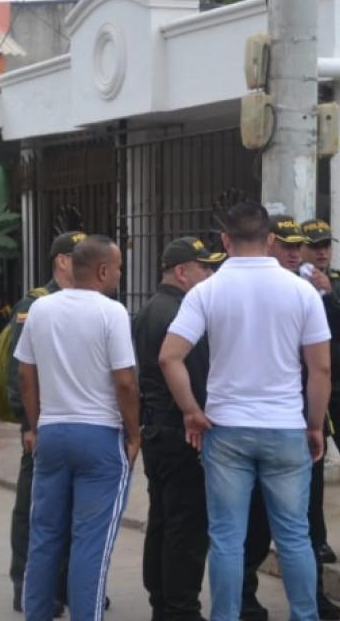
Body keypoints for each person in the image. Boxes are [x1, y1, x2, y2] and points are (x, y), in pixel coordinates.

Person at [160, 200, 331, 621]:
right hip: (286, 426)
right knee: (294, 536)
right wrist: (314, 426)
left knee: (226, 539)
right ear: (271, 239)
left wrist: (190, 411)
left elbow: (169, 357)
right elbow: (321, 367)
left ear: (225, 240)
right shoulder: (302, 291)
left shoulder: (207, 290)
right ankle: (305, 616)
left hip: (227, 428)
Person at [13, 235, 138, 621]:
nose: (119, 274)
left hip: (52, 433)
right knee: (90, 543)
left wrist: (35, 424)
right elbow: (125, 382)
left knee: (45, 537)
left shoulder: (41, 309)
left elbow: (25, 375)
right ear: (102, 270)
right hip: (99, 436)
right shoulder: (112, 312)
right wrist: (134, 434)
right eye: (117, 267)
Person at [133, 236, 222, 621]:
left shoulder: (149, 308)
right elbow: (194, 374)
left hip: (156, 428)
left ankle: (162, 603)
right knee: (186, 527)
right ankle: (181, 608)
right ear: (183, 272)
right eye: (204, 268)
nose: (210, 275)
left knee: (164, 520)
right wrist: (198, 413)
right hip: (180, 429)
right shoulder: (182, 313)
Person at [5, 230, 84, 614]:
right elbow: (19, 374)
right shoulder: (35, 304)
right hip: (43, 424)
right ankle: (25, 582)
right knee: (34, 508)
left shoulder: (93, 301)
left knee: (75, 509)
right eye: (78, 255)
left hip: (81, 425)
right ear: (62, 261)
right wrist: (30, 425)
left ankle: (70, 585)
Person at [300, 218, 340, 572]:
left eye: (326, 245)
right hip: (314, 387)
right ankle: (316, 539)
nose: (322, 252)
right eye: (315, 245)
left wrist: (329, 293)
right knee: (313, 471)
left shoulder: (337, 281)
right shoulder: (292, 284)